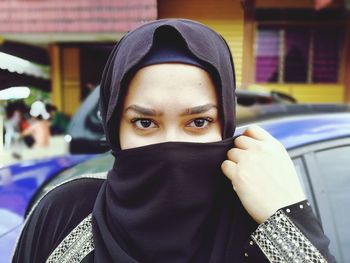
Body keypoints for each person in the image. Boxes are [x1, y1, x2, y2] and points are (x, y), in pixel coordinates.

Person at [13, 19, 336, 263]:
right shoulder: (67, 212)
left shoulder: (259, 225)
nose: (171, 146)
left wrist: (289, 217)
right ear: (114, 127)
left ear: (225, 124)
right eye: (144, 122)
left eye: (198, 122)